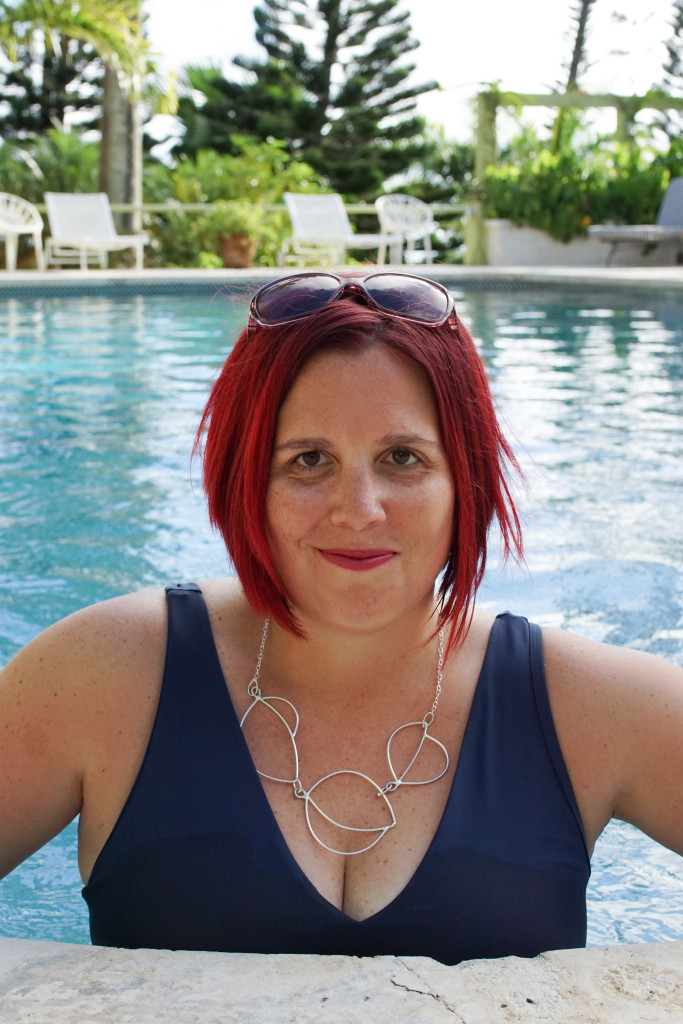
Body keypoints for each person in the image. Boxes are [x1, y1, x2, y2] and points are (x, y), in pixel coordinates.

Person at [1, 271, 682, 965]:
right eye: (308, 460)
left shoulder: (585, 707)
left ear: (464, 481)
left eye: (401, 458)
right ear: (245, 481)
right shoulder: (102, 676)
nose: (359, 508)